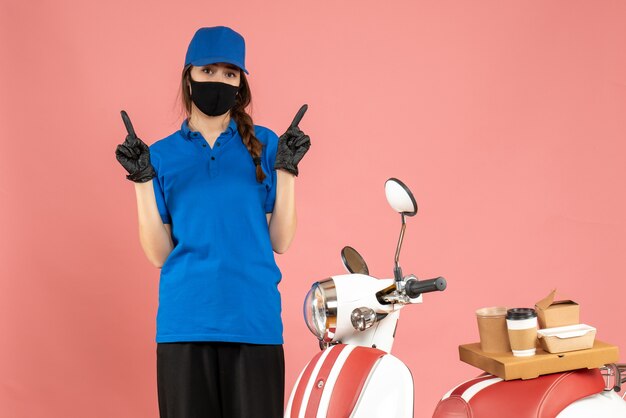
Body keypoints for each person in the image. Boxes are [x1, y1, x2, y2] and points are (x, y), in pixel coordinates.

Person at [115, 25, 311, 418]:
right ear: (188, 76)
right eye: (208, 71)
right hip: (185, 323)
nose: (218, 81)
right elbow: (158, 255)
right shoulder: (161, 155)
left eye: (229, 73)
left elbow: (281, 241)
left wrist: (287, 171)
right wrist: (142, 181)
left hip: (252, 321)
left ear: (240, 84)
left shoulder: (269, 144)